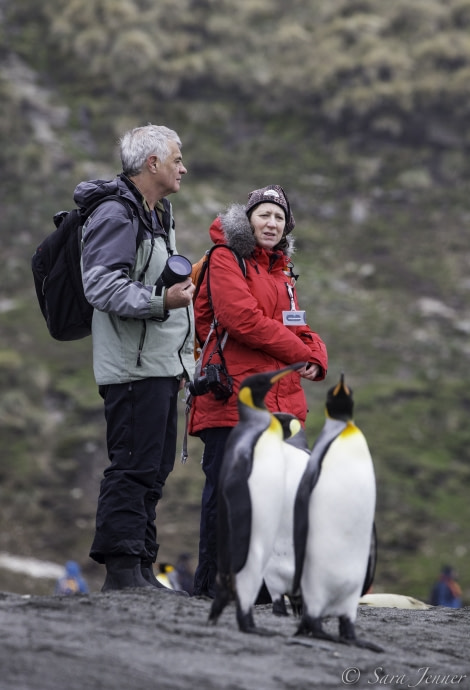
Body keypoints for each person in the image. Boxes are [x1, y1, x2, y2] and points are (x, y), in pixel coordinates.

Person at [188, 184, 328, 598]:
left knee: (282, 498)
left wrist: (315, 356)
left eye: (279, 217)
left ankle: (268, 588)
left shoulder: (281, 272)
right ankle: (215, 585)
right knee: (228, 496)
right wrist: (299, 352)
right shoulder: (225, 258)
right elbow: (240, 318)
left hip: (284, 404)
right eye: (264, 214)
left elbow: (299, 326)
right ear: (247, 219)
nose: (271, 222)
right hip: (235, 398)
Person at [75, 124, 195, 591]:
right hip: (130, 369)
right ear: (152, 164)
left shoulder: (156, 213)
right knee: (132, 465)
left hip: (158, 369)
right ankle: (122, 570)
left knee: (154, 467)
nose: (183, 167)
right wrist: (161, 302)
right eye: (177, 158)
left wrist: (182, 362)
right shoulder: (116, 213)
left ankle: (143, 565)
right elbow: (101, 285)